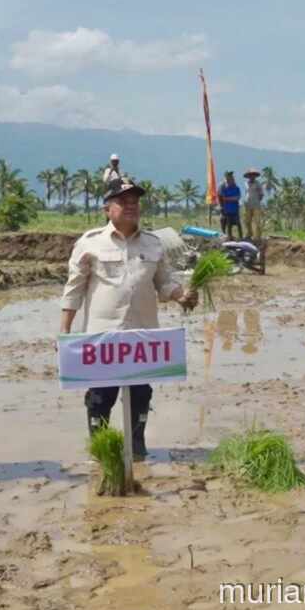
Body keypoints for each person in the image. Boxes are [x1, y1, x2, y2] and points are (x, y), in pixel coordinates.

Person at [59, 176, 198, 459]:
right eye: (123, 201)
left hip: (141, 337)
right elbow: (73, 290)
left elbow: (165, 282)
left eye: (135, 201)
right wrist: (65, 332)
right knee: (100, 398)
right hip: (103, 337)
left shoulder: (153, 244)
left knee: (140, 395)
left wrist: (182, 295)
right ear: (107, 208)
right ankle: (102, 452)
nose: (131, 206)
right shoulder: (90, 244)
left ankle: (136, 449)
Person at [242, 168, 265, 241]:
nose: (252, 176)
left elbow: (261, 194)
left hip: (256, 205)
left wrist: (257, 200)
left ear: (255, 176)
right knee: (247, 221)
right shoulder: (246, 183)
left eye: (253, 175)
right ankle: (249, 234)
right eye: (250, 175)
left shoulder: (258, 184)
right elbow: (246, 193)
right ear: (248, 176)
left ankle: (258, 237)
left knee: (257, 221)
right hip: (247, 205)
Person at [219, 171, 242, 240]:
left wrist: (228, 198)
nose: (230, 181)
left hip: (235, 209)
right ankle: (229, 237)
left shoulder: (236, 188)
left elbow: (237, 197)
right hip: (227, 209)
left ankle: (241, 237)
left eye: (231, 179)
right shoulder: (223, 188)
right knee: (229, 225)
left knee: (238, 224)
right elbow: (223, 198)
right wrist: (232, 198)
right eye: (228, 179)